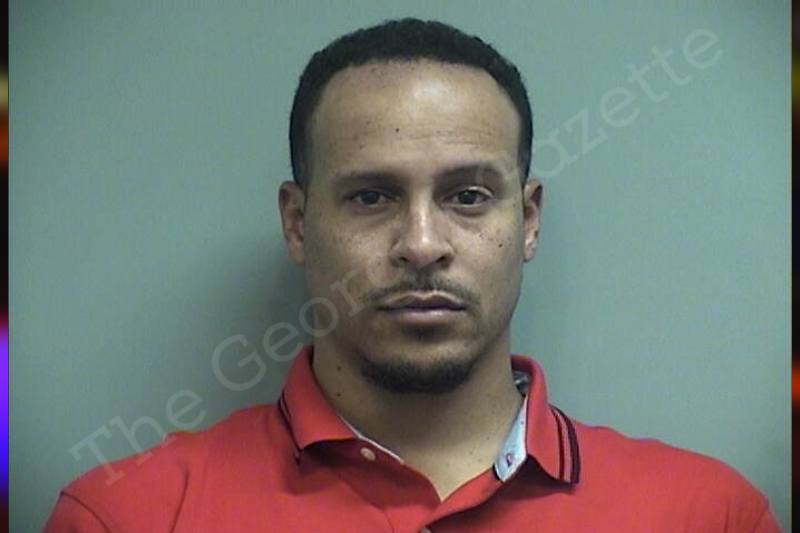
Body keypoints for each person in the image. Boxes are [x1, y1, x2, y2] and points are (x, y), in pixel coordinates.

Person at [43, 18, 781, 533]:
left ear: (528, 221)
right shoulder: (127, 515)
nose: (422, 245)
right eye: (371, 197)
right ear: (297, 223)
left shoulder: (708, 514)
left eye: (468, 196)